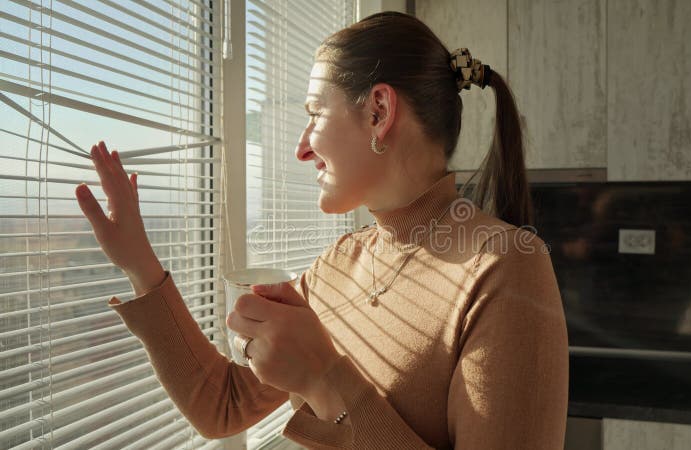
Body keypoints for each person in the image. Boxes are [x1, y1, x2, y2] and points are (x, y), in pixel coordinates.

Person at [75, 11, 568, 450]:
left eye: (314, 113)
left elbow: (319, 386)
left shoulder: (506, 267)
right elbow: (221, 406)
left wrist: (325, 380)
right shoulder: (338, 265)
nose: (301, 149)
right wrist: (139, 265)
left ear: (378, 112)